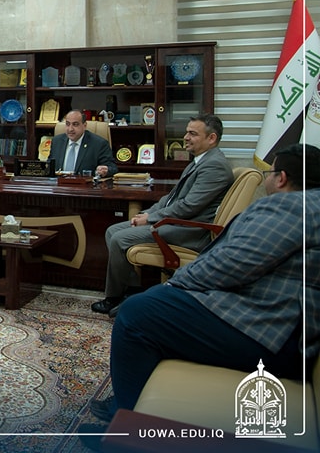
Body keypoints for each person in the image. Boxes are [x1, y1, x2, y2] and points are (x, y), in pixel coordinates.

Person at [87, 143, 319, 426]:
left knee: (135, 313)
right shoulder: (309, 206)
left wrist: (174, 285)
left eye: (269, 173)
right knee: (152, 304)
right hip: (277, 322)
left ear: (281, 178)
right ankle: (137, 400)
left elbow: (230, 264)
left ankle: (126, 426)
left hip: (271, 332)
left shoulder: (291, 207)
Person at [91, 114, 234, 314]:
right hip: (176, 222)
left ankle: (113, 297)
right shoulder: (200, 161)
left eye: (192, 134)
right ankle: (132, 290)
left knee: (119, 238)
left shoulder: (214, 165)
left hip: (190, 230)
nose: (185, 137)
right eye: (187, 132)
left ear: (211, 138)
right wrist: (146, 213)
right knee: (112, 231)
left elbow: (189, 207)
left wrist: (150, 219)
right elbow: (171, 198)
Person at [48, 110, 117, 178]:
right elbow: (49, 166)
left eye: (75, 124)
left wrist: (105, 170)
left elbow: (112, 168)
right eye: (67, 124)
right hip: (59, 184)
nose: (70, 129)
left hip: (86, 184)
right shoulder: (57, 141)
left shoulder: (99, 144)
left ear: (84, 126)